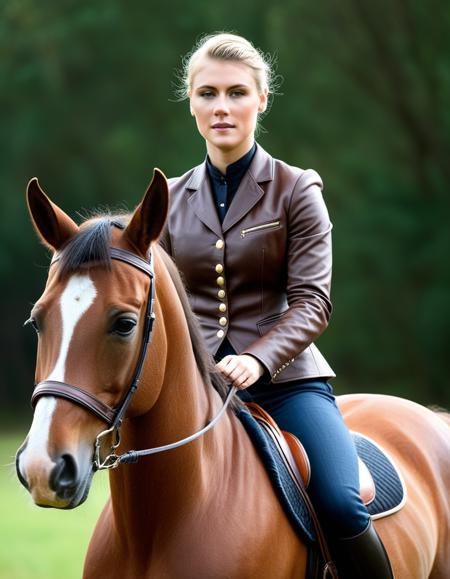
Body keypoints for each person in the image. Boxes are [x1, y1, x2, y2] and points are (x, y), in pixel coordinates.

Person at [160, 32, 394, 579]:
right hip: (198, 388)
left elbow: (313, 302)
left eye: (237, 92)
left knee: (340, 500)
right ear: (191, 101)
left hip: (287, 384)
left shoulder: (296, 189)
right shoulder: (168, 198)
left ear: (261, 100)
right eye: (208, 93)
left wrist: (259, 359)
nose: (222, 107)